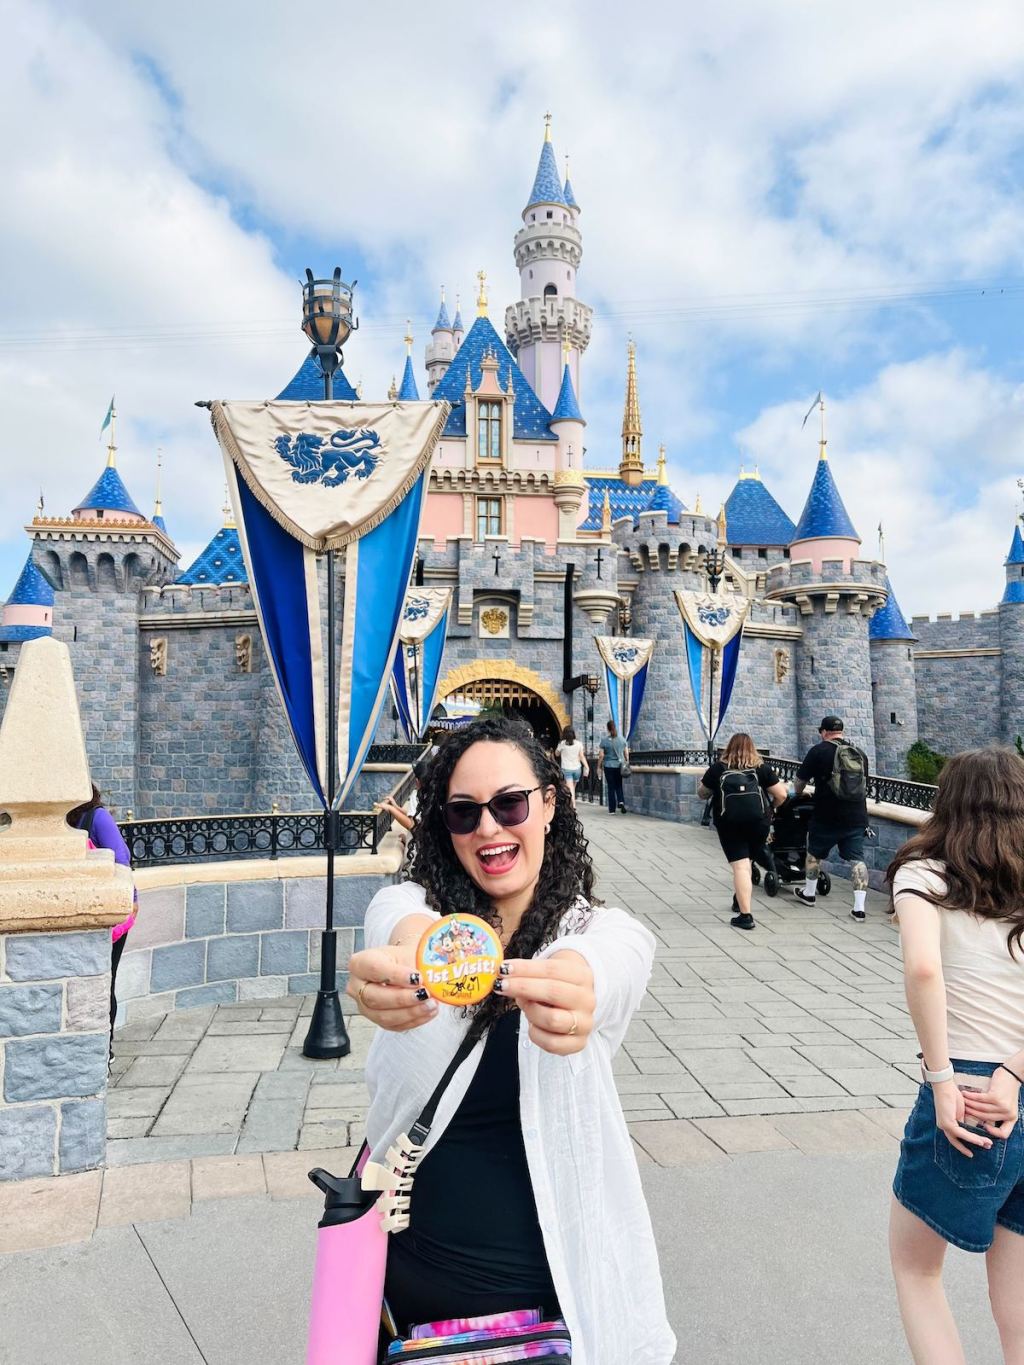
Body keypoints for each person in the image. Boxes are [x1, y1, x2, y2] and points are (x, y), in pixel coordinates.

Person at [346, 716, 675, 1364]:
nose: (489, 828)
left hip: (547, 1309)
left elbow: (613, 960)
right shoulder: (419, 909)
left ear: (550, 802)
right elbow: (397, 917)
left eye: (510, 803)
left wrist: (579, 985)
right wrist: (410, 953)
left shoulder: (599, 932)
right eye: (465, 813)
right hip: (403, 1308)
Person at [887, 747, 1024, 1365]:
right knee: (1018, 1296)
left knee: (917, 1273)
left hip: (967, 1091)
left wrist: (941, 1078)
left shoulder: (923, 875)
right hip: (1015, 1084)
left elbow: (923, 968)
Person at [67, 784, 136, 1051]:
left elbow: (121, 859)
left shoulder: (96, 817)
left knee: (104, 982)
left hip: (107, 915)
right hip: (76, 913)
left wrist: (134, 899)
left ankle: (105, 1050)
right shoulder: (60, 821)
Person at [698, 733, 788, 931]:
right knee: (747, 862)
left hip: (729, 823)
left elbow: (702, 793)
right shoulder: (761, 768)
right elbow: (782, 794)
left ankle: (745, 916)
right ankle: (739, 900)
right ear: (752, 748)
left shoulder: (718, 769)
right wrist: (771, 809)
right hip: (758, 823)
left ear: (729, 748)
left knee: (740, 865)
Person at [792, 714, 871, 921]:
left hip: (826, 815)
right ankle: (859, 908)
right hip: (856, 815)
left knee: (814, 854)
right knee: (857, 860)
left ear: (824, 732)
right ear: (841, 731)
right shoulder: (859, 753)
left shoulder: (818, 751)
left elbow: (800, 782)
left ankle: (809, 894)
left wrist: (798, 793)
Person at [375, 755, 432, 834]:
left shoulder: (417, 796)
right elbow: (417, 815)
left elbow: (412, 825)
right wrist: (396, 807)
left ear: (417, 781)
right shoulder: (434, 794)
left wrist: (391, 809)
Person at [598, 719, 629, 814]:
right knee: (619, 784)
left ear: (608, 729)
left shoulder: (604, 741)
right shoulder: (622, 739)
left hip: (608, 766)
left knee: (611, 787)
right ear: (615, 727)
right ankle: (621, 801)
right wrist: (626, 762)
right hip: (619, 766)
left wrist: (599, 766)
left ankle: (612, 810)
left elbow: (601, 755)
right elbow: (626, 753)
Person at [554, 724, 589, 806]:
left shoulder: (562, 744)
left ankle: (573, 806)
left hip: (567, 769)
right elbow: (581, 756)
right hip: (577, 769)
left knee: (570, 789)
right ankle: (570, 803)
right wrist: (587, 766)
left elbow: (556, 754)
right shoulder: (579, 744)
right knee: (572, 787)